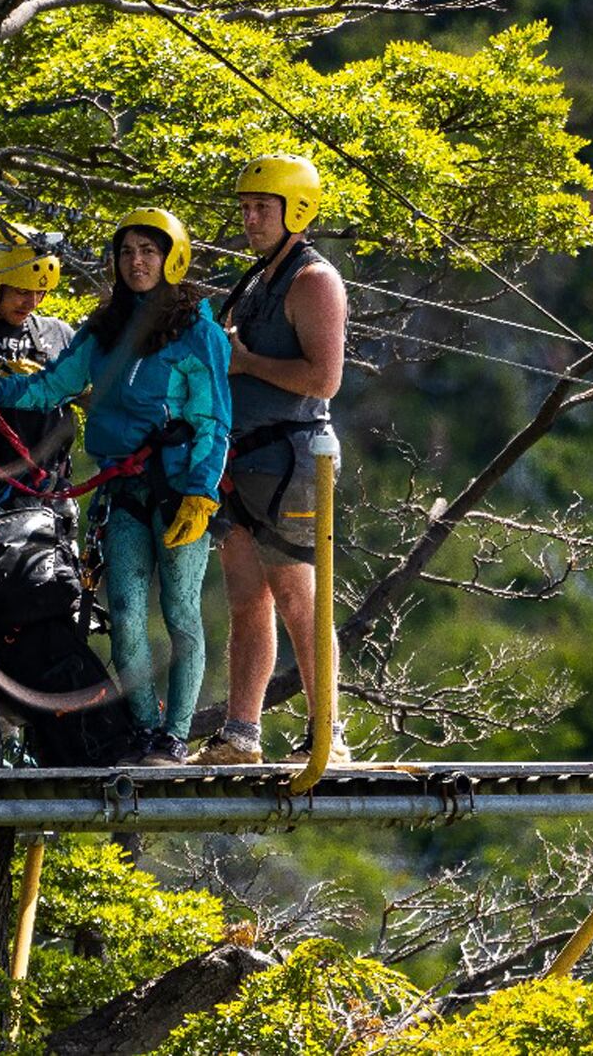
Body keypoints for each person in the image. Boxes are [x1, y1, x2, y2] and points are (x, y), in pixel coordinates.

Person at [0, 208, 231, 766]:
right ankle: (145, 732)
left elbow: (214, 419)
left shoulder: (199, 332)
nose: (137, 262)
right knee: (123, 614)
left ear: (172, 258)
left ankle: (173, 736)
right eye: (127, 253)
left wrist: (202, 491)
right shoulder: (102, 330)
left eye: (149, 251)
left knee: (180, 612)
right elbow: (52, 386)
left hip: (178, 491)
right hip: (122, 491)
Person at [193, 155, 349, 767]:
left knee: (298, 596)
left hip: (292, 458)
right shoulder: (257, 278)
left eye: (263, 207)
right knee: (245, 599)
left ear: (296, 210)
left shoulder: (313, 280)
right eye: (247, 206)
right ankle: (241, 734)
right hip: (242, 458)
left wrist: (247, 362)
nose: (250, 217)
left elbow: (325, 378)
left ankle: (327, 736)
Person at [0, 238, 76, 503]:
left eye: (40, 293)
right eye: (22, 291)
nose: (32, 302)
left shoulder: (58, 334)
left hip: (49, 487)